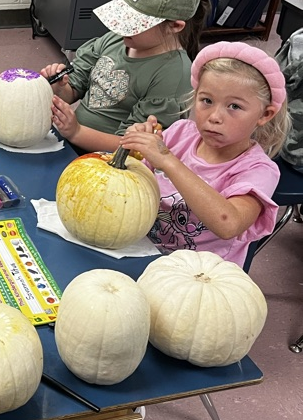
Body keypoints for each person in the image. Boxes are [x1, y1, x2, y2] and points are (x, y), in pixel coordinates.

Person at [120, 41, 289, 268]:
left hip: (199, 278)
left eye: (235, 107)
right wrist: (137, 148)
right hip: (142, 250)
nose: (215, 117)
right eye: (207, 101)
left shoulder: (259, 170)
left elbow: (228, 224)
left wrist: (167, 160)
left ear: (264, 115)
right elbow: (136, 184)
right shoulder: (180, 133)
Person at [41, 0, 209, 153]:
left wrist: (77, 132)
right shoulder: (116, 40)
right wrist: (60, 88)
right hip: (69, 143)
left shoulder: (173, 76)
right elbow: (75, 88)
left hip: (107, 163)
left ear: (174, 26)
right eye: (125, 16)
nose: (121, 28)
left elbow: (135, 146)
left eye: (135, 23)